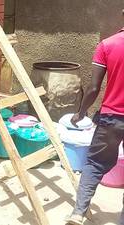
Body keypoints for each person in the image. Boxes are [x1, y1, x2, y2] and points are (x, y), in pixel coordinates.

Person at [66, 27, 124, 225]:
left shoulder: (107, 45)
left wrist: (81, 113)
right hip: (113, 117)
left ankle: (78, 213)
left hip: (111, 118)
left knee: (95, 163)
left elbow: (93, 88)